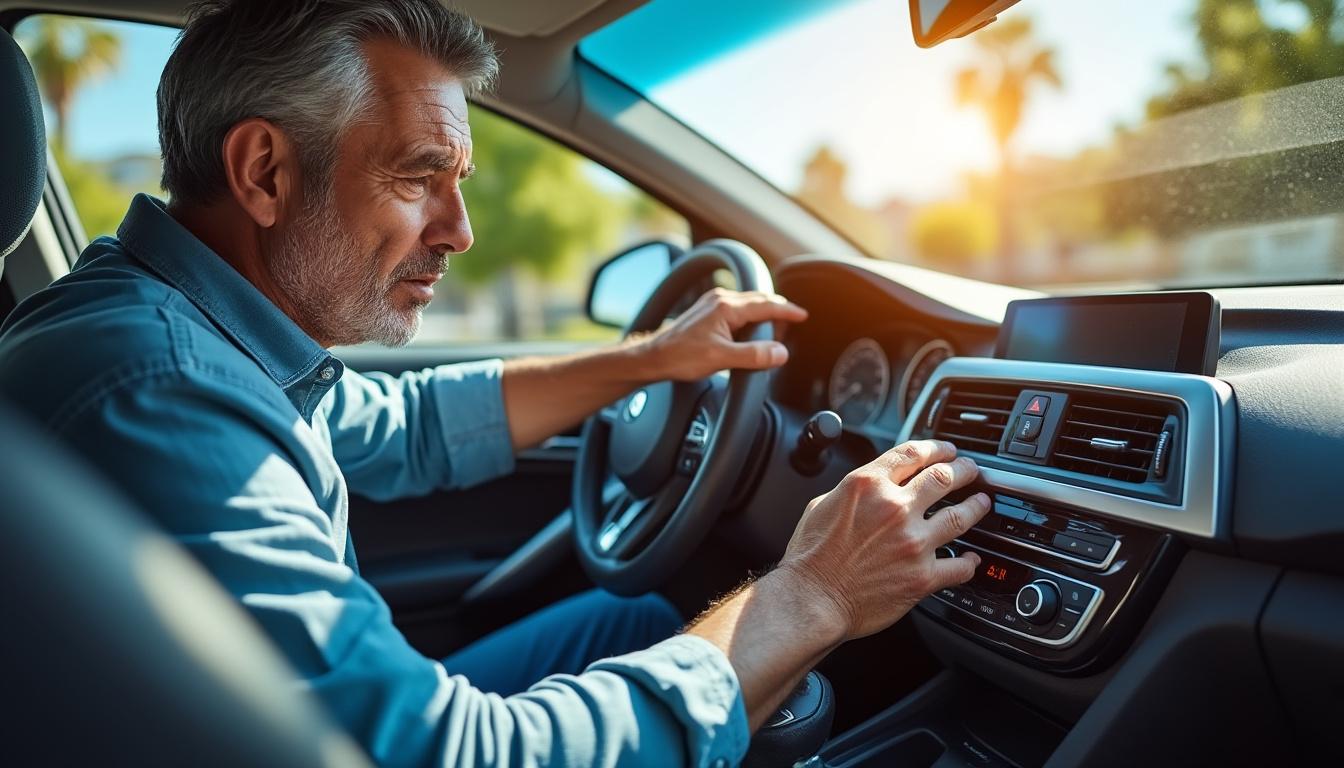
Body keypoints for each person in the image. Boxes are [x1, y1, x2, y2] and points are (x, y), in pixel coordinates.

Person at [0, 1, 989, 765]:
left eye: (460, 180)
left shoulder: (186, 323)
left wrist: (648, 362)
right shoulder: (155, 387)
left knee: (635, 619)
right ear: (264, 171)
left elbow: (403, 425)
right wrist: (814, 594)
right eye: (418, 174)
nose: (460, 231)